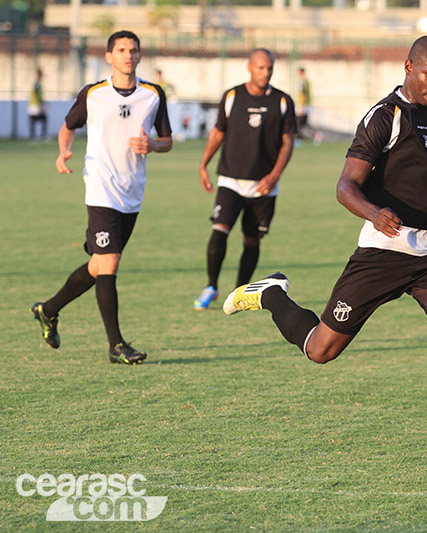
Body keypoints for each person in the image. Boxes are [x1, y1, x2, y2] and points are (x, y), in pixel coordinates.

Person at [222, 36, 427, 483]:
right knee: (321, 350)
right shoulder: (386, 117)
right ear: (408, 66)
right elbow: (346, 186)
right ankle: (271, 296)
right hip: (382, 251)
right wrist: (374, 212)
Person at [31, 30, 172, 364]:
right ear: (109, 56)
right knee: (110, 263)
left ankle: (47, 310)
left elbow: (167, 140)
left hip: (132, 190)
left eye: (133, 50)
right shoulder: (94, 94)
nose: (128, 55)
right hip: (100, 186)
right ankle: (116, 345)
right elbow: (69, 125)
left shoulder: (153, 95)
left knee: (98, 264)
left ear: (139, 56)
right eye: (121, 50)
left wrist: (152, 145)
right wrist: (64, 151)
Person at [194, 49, 297, 310]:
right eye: (260, 67)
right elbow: (218, 132)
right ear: (249, 67)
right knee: (220, 229)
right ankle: (211, 286)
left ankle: (238, 293)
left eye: (270, 68)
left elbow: (287, 143)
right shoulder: (232, 96)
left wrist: (274, 176)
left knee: (251, 240)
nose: (265, 73)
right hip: (230, 178)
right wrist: (203, 164)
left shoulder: (282, 101)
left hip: (264, 185)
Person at [295, 67, 322, 144]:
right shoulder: (305, 82)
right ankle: (316, 134)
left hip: (304, 105)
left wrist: (301, 107)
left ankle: (301, 138)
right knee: (304, 123)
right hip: (305, 105)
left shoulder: (303, 82)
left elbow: (304, 94)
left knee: (300, 122)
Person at [28, 68, 47, 141]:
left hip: (35, 104)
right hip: (35, 105)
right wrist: (41, 104)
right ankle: (34, 137)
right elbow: (37, 94)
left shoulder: (38, 84)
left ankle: (39, 136)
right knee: (36, 120)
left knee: (42, 119)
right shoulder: (37, 84)